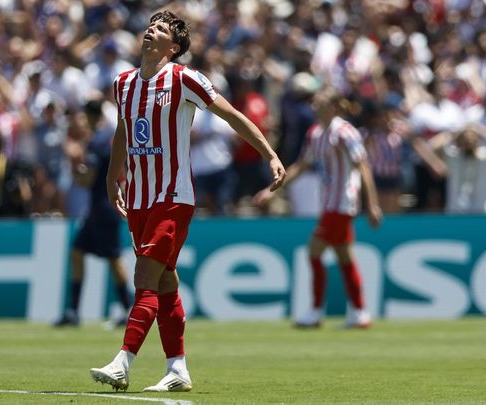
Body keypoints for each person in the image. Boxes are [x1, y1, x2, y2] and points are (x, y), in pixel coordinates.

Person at [89, 11, 285, 393]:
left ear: (174, 47)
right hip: (139, 198)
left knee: (145, 278)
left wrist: (270, 154)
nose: (151, 30)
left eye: (161, 29)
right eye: (151, 26)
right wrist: (113, 179)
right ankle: (177, 368)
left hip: (172, 196)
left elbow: (233, 116)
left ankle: (123, 362)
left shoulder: (184, 79)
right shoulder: (123, 84)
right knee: (165, 281)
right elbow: (123, 133)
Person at [254, 85, 382, 329]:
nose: (315, 105)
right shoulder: (315, 133)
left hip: (342, 202)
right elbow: (302, 165)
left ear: (332, 106)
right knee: (345, 257)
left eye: (320, 101)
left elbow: (363, 166)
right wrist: (272, 190)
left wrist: (373, 205)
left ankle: (315, 311)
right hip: (329, 202)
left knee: (314, 251)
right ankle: (359, 312)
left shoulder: (345, 132)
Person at [54, 98, 132, 328]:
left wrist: (73, 165)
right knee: (79, 252)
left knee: (114, 259)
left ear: (90, 115)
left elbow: (87, 179)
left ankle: (130, 310)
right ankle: (74, 312)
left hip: (104, 207)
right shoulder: (107, 137)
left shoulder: (98, 141)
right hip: (101, 208)